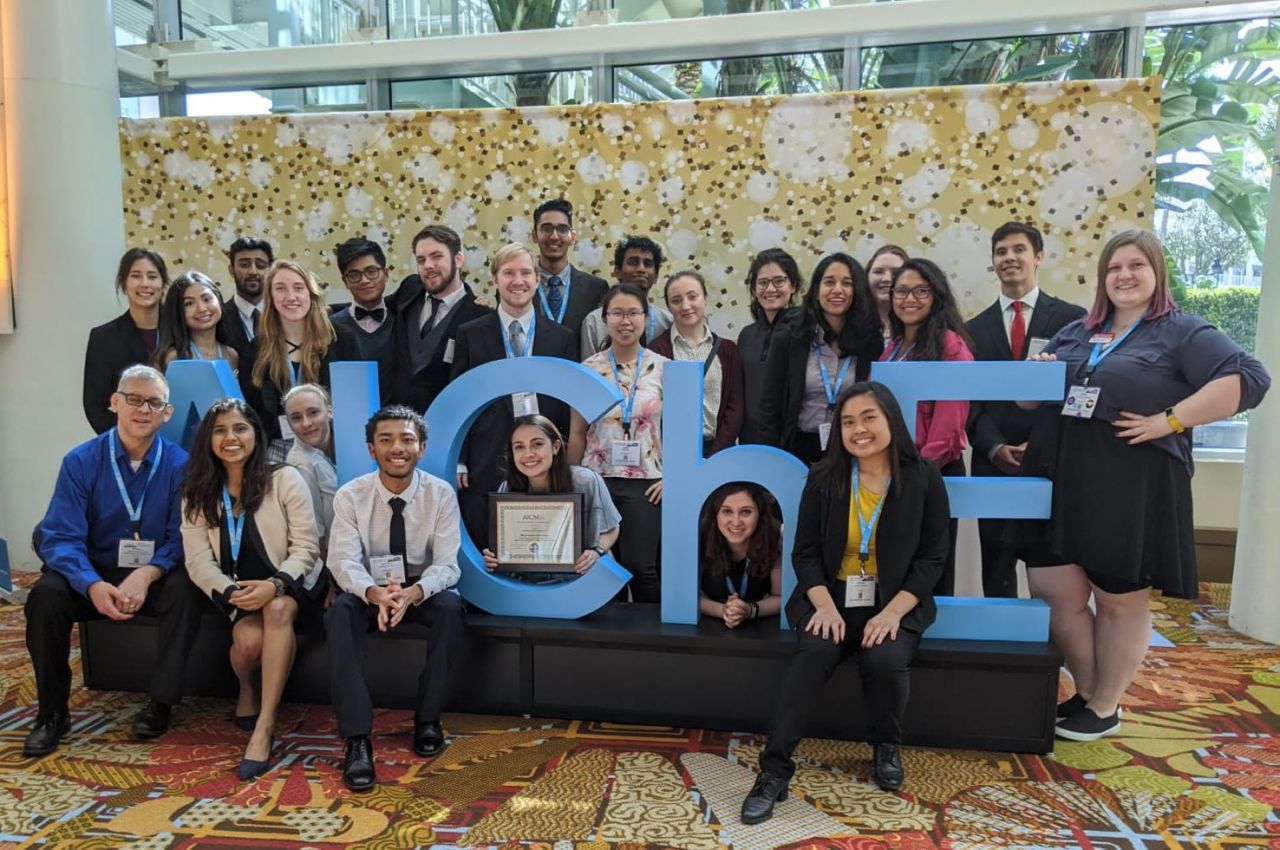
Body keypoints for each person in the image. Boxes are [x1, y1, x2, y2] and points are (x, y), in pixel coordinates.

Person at [1015, 229, 1270, 742]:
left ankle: (1106, 703)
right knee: (1052, 589)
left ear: (1157, 274)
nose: (1124, 276)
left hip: (1129, 482)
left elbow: (1251, 378)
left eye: (1136, 266)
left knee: (1118, 598)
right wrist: (1034, 375)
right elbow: (1026, 404)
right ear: (1101, 278)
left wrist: (1169, 421)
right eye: (1114, 268)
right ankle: (1090, 694)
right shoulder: (1076, 332)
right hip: (1060, 474)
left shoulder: (1182, 331)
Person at [740, 382, 949, 823]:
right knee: (813, 654)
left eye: (869, 417)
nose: (859, 429)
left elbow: (933, 556)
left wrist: (893, 612)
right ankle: (773, 771)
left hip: (894, 600)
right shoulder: (824, 475)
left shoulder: (924, 477)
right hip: (829, 596)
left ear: (891, 418)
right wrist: (825, 607)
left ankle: (886, 746)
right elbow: (805, 554)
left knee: (885, 660)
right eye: (848, 421)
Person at [25, 365, 203, 757]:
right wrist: (90, 583)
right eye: (134, 399)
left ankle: (161, 702)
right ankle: (52, 714)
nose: (143, 410)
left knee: (186, 591)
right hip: (93, 573)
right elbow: (60, 535)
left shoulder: (181, 465)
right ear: (114, 403)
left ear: (167, 413)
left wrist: (148, 571)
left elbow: (182, 537)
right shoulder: (80, 461)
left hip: (152, 574)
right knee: (45, 597)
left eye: (154, 403)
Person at [179, 399, 323, 780]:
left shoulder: (284, 478)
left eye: (240, 428)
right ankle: (246, 686)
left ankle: (265, 724)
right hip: (237, 593)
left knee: (277, 611)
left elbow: (307, 547)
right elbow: (198, 561)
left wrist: (275, 585)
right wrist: (230, 593)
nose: (231, 438)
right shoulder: (197, 490)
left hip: (290, 585)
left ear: (256, 435)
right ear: (208, 439)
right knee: (246, 644)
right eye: (220, 430)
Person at [325, 406, 466, 792]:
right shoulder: (351, 496)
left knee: (452, 609)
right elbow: (341, 561)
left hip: (420, 588)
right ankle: (356, 740)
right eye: (385, 440)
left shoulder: (440, 494)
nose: (396, 448)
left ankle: (427, 719)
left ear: (421, 446)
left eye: (406, 439)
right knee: (340, 613)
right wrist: (375, 593)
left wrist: (412, 594)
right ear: (372, 449)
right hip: (370, 588)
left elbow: (449, 566)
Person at [966, 222, 1085, 597]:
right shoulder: (972, 329)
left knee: (1051, 572)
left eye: (1018, 249)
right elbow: (970, 404)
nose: (1009, 258)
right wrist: (995, 448)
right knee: (996, 570)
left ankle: (1050, 654)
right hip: (992, 465)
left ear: (1038, 257)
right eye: (1001, 252)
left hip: (1050, 463)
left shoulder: (1073, 319)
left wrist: (1039, 445)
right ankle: (1000, 654)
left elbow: (1076, 391)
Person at [452, 243, 579, 540]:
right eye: (508, 273)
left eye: (525, 272)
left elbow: (568, 404)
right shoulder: (469, 334)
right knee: (488, 546)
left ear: (537, 280)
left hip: (544, 461)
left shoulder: (562, 338)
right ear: (494, 279)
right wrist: (460, 458)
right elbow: (459, 401)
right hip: (485, 460)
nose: (517, 281)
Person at [880, 257, 974, 595]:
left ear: (936, 295)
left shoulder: (950, 346)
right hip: (892, 470)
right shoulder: (891, 348)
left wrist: (918, 473)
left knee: (931, 565)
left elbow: (949, 424)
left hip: (934, 471)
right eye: (901, 291)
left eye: (920, 290)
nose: (909, 299)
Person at [571, 284, 669, 602]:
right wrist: (570, 480)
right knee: (599, 566)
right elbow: (577, 432)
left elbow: (680, 431)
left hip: (648, 483)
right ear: (604, 319)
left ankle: (650, 642)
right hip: (597, 480)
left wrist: (674, 477)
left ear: (646, 318)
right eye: (617, 313)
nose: (625, 321)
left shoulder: (664, 368)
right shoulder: (588, 369)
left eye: (633, 313)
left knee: (643, 567)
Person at [759, 253, 883, 464]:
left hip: (853, 450)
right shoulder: (790, 337)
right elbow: (769, 407)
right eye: (829, 282)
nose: (837, 290)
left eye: (846, 283)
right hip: (799, 449)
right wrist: (773, 463)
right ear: (816, 291)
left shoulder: (870, 342)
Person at [481, 414, 621, 577]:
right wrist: (496, 555)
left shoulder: (586, 480)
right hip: (529, 584)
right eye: (519, 447)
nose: (528, 454)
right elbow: (505, 544)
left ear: (555, 447)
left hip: (584, 579)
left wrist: (596, 552)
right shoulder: (507, 488)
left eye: (537, 444)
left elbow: (612, 528)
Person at [240, 260, 353, 456]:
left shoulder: (340, 339)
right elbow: (252, 405)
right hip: (278, 447)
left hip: (333, 445)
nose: (291, 296)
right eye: (281, 289)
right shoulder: (258, 347)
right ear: (270, 296)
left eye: (298, 288)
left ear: (310, 293)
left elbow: (354, 399)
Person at [389, 224, 492, 413]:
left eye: (437, 256)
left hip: (447, 427)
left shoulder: (480, 316)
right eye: (421, 260)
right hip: (399, 427)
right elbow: (375, 307)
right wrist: (327, 310)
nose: (428, 265)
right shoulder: (409, 289)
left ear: (459, 259)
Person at [647, 270, 745, 455]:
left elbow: (735, 408)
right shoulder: (656, 350)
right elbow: (653, 408)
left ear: (705, 298)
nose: (686, 306)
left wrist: (717, 455)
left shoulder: (728, 350)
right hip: (672, 453)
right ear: (668, 306)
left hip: (718, 450)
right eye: (676, 300)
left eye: (693, 297)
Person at [83, 248, 169, 434]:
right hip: (128, 447)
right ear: (123, 284)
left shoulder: (180, 331)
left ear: (163, 284)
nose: (145, 284)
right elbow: (95, 407)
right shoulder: (104, 338)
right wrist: (130, 443)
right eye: (136, 276)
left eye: (153, 276)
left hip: (182, 444)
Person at [737, 249, 802, 445]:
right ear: (754, 289)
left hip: (791, 440)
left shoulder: (803, 332)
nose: (770, 289)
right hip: (750, 439)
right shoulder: (746, 335)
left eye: (779, 281)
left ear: (793, 286)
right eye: (763, 282)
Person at [698, 482, 782, 627]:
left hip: (760, 628)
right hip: (706, 625)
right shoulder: (699, 536)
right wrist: (723, 611)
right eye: (727, 511)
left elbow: (780, 597)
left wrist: (749, 611)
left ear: (759, 514)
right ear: (715, 514)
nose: (736, 522)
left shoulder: (775, 537)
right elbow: (687, 596)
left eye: (746, 512)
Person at [580, 236, 673, 357]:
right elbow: (587, 372)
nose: (641, 269)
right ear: (617, 271)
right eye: (633, 262)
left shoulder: (667, 321)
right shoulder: (594, 322)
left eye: (648, 264)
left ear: (656, 276)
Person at [329, 237, 397, 404]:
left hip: (400, 422)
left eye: (371, 271)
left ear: (386, 274)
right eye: (354, 274)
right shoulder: (330, 327)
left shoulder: (404, 320)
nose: (365, 280)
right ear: (345, 281)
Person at [532, 199, 609, 340]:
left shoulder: (595, 288)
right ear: (534, 235)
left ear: (572, 237)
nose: (554, 236)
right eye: (546, 229)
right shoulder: (520, 286)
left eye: (562, 229)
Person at [152, 270, 241, 373]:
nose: (201, 308)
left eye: (207, 299)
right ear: (177, 311)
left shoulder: (231, 356)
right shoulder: (173, 358)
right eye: (189, 303)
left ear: (219, 300)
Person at [283, 384, 338, 547]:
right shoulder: (300, 464)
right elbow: (314, 533)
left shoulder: (349, 437)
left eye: (313, 413)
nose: (306, 423)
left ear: (329, 412)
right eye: (296, 418)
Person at [219, 237, 274, 363]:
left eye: (260, 265)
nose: (253, 271)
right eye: (244, 265)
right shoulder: (218, 318)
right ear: (231, 270)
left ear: (270, 270)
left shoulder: (284, 314)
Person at [867, 245, 909, 342]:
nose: (887, 279)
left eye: (896, 272)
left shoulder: (925, 329)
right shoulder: (849, 325)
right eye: (878, 272)